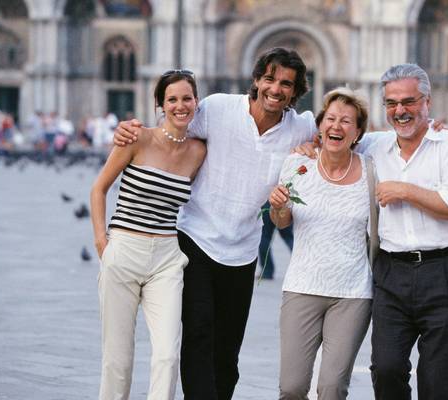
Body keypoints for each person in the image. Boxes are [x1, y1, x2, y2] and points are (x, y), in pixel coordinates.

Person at [113, 47, 315, 399]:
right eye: (269, 78)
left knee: (227, 352)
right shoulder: (220, 108)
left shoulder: (301, 128)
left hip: (243, 252)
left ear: (295, 92)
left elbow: (344, 133)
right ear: (256, 80)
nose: (275, 88)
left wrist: (429, 128)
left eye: (286, 83)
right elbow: (174, 123)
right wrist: (133, 131)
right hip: (195, 239)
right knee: (198, 334)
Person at [362, 63, 448, 400]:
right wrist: (307, 146)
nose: (400, 111)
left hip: (446, 271)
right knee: (385, 369)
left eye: (409, 102)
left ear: (427, 102)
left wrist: (404, 190)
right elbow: (333, 132)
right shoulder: (373, 145)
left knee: (440, 380)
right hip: (391, 273)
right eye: (391, 103)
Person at [90, 70, 206, 400]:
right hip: (123, 249)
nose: (180, 106)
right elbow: (98, 189)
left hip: (167, 258)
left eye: (187, 98)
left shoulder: (199, 151)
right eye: (172, 99)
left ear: (196, 102)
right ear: (160, 104)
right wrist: (103, 241)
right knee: (118, 359)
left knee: (168, 355)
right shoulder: (136, 138)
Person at [268, 87, 373, 400]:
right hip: (302, 286)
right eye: (330, 119)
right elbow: (281, 221)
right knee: (291, 387)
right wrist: (277, 207)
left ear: (358, 133)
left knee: (331, 389)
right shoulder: (298, 165)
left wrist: (439, 129)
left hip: (352, 293)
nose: (335, 126)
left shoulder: (372, 171)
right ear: (320, 126)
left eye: (345, 121)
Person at [258, 202, 294, 280]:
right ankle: (302, 266)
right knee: (289, 238)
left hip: (267, 202)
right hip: (283, 201)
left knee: (264, 238)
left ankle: (267, 272)